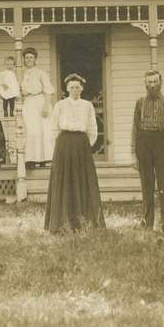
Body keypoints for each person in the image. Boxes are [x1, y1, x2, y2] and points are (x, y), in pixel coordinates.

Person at [44, 74, 105, 233]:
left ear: (82, 88)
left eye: (77, 87)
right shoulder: (60, 105)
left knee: (82, 180)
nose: (75, 90)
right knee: (64, 181)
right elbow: (53, 127)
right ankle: (62, 222)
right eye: (72, 87)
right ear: (67, 89)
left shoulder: (87, 106)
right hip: (64, 144)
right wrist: (59, 145)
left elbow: (92, 127)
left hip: (81, 144)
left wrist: (86, 144)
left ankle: (84, 221)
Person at [131, 70, 164, 233]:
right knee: (147, 185)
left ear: (161, 83)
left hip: (163, 142)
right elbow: (134, 128)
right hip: (143, 142)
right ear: (145, 84)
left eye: (155, 82)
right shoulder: (140, 102)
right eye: (149, 82)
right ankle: (147, 223)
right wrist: (133, 154)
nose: (152, 85)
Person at [21, 47, 54, 168]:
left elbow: (49, 90)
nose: (29, 59)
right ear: (24, 60)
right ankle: (30, 159)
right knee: (30, 131)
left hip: (40, 101)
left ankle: (43, 159)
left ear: (35, 59)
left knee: (42, 130)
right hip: (28, 102)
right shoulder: (22, 73)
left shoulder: (41, 73)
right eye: (26, 58)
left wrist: (46, 105)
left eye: (31, 57)